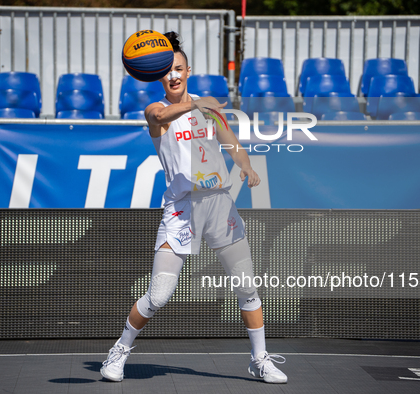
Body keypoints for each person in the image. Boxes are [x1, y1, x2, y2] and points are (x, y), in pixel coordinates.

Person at [100, 31, 287, 384]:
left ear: (188, 71)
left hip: (219, 204)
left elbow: (233, 145)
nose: (173, 75)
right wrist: (199, 104)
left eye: (179, 69)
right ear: (159, 75)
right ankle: (120, 350)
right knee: (158, 295)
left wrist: (244, 165)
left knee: (246, 285)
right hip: (181, 209)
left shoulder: (207, 108)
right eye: (168, 70)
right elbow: (162, 117)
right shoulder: (158, 111)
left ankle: (260, 359)